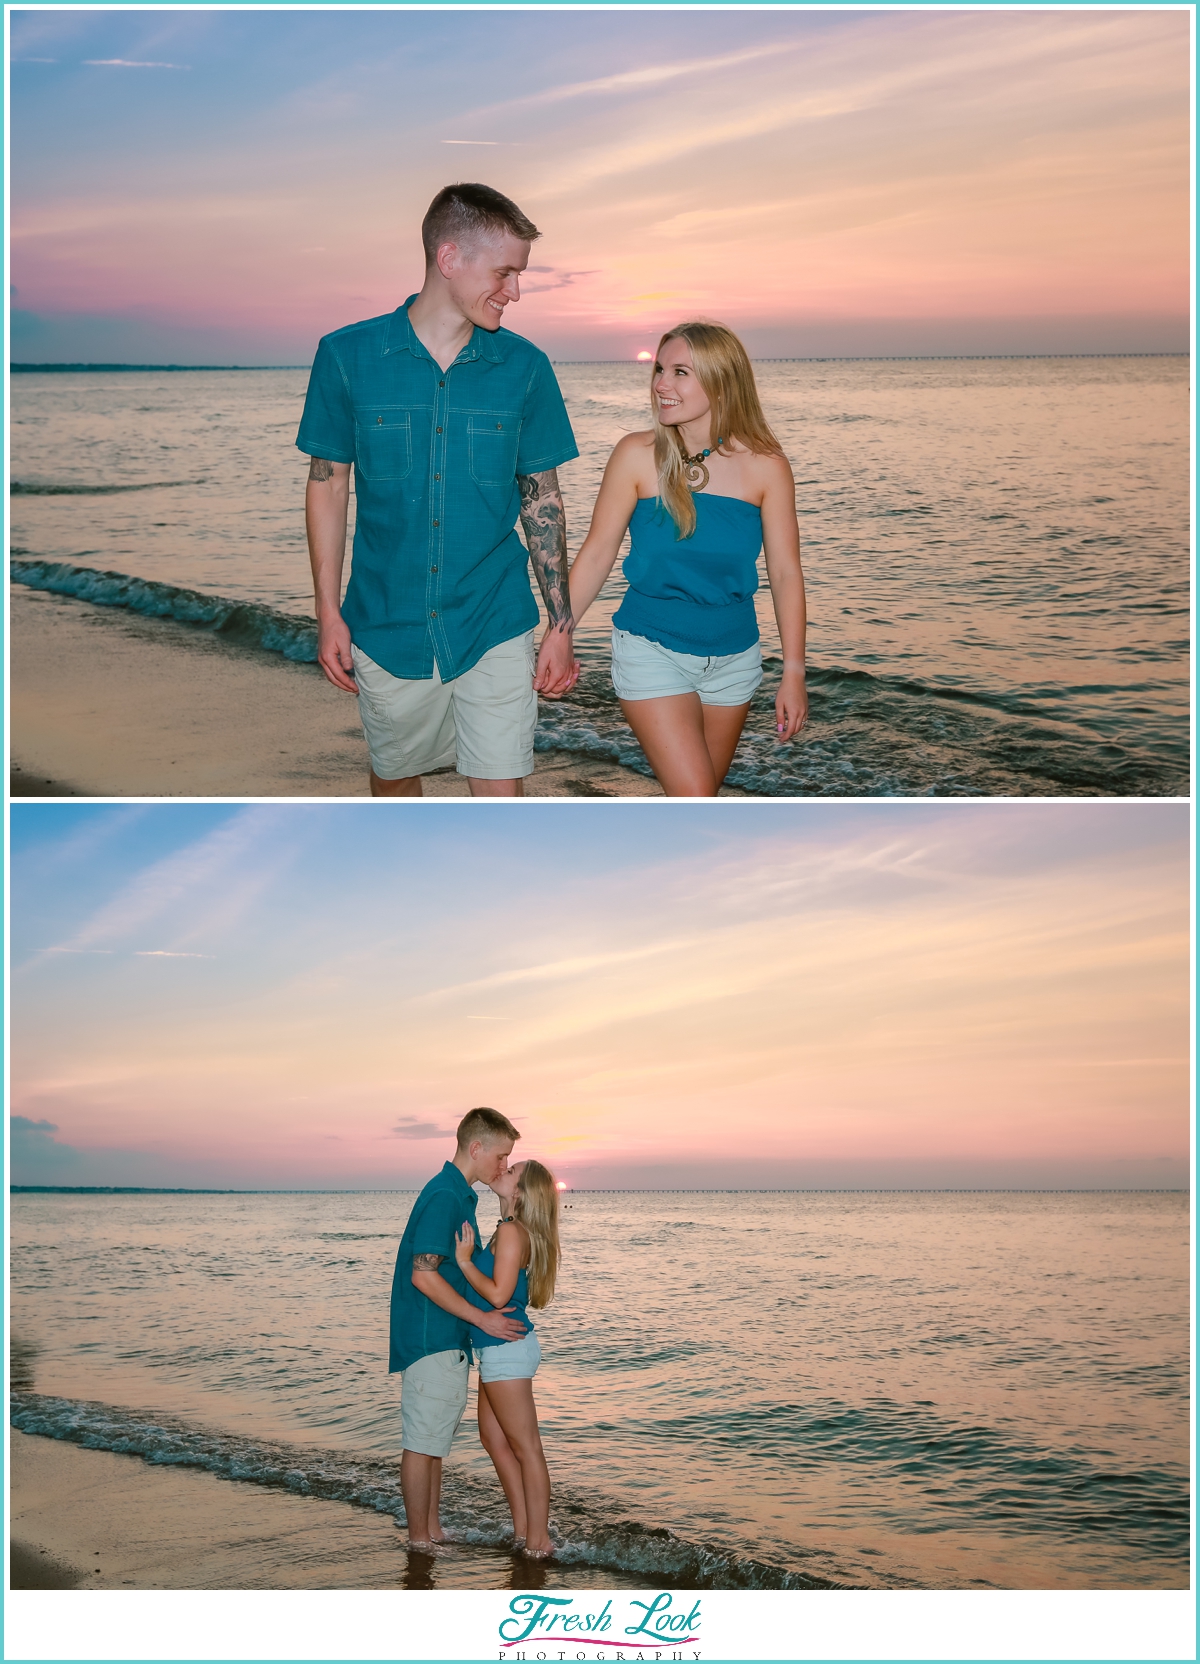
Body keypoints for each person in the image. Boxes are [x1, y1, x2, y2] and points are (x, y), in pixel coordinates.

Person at [297, 183, 580, 798]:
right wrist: (327, 611)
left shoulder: (527, 368)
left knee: (500, 803)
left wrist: (561, 623)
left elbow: (543, 500)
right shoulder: (346, 357)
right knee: (397, 780)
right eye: (504, 273)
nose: (515, 291)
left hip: (496, 617)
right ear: (449, 259)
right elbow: (328, 484)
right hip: (385, 619)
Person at [567, 321, 808, 796]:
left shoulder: (767, 465)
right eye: (660, 369)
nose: (661, 383)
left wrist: (794, 672)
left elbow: (785, 573)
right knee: (695, 796)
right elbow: (597, 554)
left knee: (697, 800)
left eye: (680, 372)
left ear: (722, 381)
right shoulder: (636, 454)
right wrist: (559, 634)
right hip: (650, 647)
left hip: (735, 658)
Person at [388, 1107, 527, 1549]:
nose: (504, 1165)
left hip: (446, 1340)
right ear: (476, 1147)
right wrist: (482, 1318)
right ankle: (418, 1542)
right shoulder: (446, 1196)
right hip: (432, 1339)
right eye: (502, 1156)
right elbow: (422, 1275)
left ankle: (430, 1532)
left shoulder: (460, 1195)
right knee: (422, 1441)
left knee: (433, 1441)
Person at [455, 1159, 560, 1558]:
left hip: (507, 1350)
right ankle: (523, 1531)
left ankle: (539, 1541)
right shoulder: (507, 1230)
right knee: (493, 1439)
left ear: (520, 1190)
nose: (502, 1169)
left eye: (511, 1169)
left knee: (526, 1447)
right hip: (497, 1349)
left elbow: (498, 1295)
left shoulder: (513, 1231)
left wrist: (465, 1260)